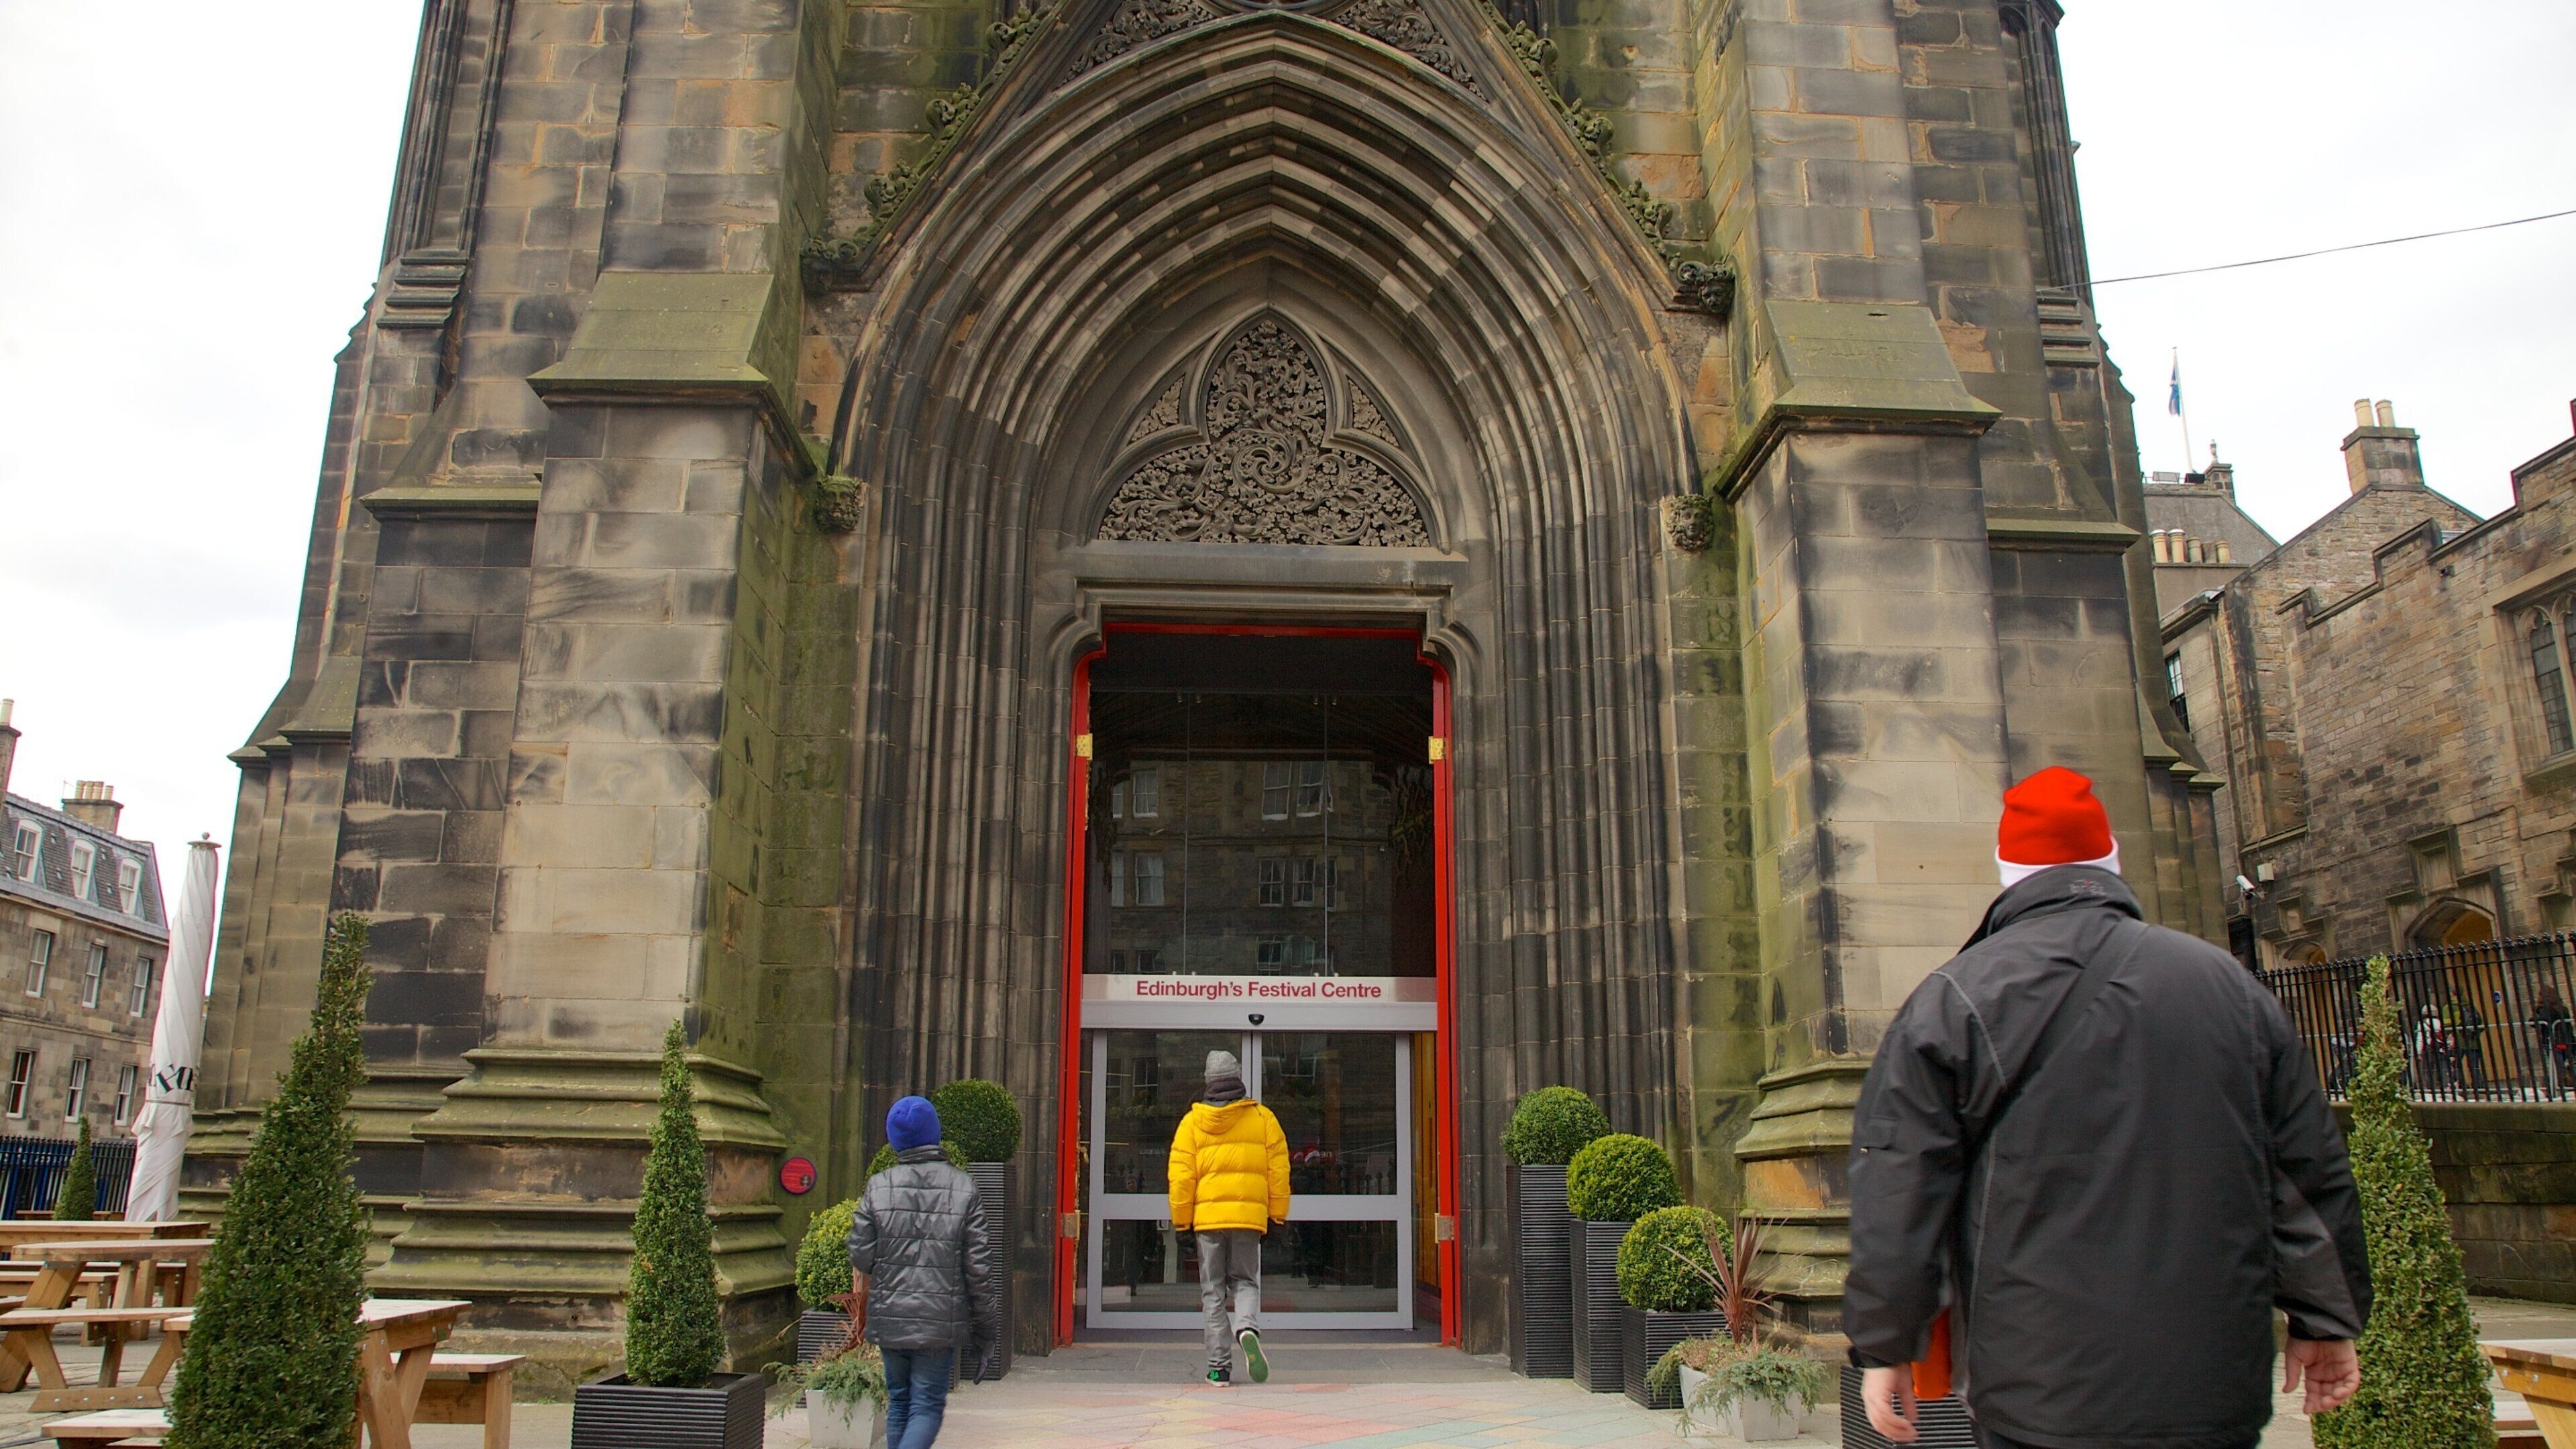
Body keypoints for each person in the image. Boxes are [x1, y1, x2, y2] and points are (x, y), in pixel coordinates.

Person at [1844, 766, 2372, 1449]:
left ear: (2009, 873)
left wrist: (1887, 1347)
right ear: (2111, 861)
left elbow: (1900, 1187)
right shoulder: (2227, 987)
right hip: (2211, 1382)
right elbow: (2304, 1172)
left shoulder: (1955, 999)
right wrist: (2324, 1321)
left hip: (2040, 1388)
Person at [849, 1096, 994, 1449]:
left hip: (890, 1317)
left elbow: (861, 1255)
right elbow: (978, 1269)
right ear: (936, 1134)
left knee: (899, 1402)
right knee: (926, 1407)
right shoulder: (964, 1187)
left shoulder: (879, 1186)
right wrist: (986, 1332)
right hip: (938, 1322)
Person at [1167, 1049, 1290, 1387]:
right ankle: (1247, 1327)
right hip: (1248, 1220)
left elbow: (1181, 1177)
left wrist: (1181, 1222)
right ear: (1238, 1078)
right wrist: (1277, 1218)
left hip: (1208, 1222)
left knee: (1213, 1293)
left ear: (1208, 1082)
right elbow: (1279, 1171)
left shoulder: (1192, 1123)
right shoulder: (1263, 1118)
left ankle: (1219, 1368)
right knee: (1246, 1282)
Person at [2536, 985, 2574, 1098]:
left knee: (2557, 1067)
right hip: (2565, 1041)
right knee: (2569, 1065)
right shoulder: (2563, 1008)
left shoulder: (2544, 1008)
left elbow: (2544, 1019)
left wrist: (2534, 1020)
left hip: (2553, 1042)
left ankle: (2560, 1090)